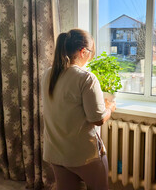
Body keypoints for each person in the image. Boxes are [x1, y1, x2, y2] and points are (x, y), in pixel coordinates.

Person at [41, 29, 116, 190]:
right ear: (83, 52)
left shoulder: (48, 74)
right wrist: (109, 107)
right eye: (91, 53)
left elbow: (66, 106)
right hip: (83, 155)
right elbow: (97, 119)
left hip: (56, 152)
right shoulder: (86, 78)